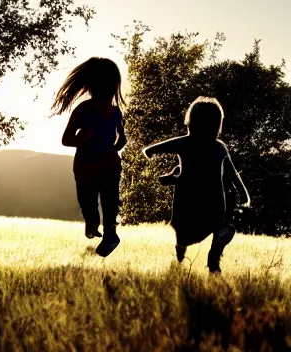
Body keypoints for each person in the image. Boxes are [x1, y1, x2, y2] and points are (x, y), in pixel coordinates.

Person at [143, 96, 250, 273]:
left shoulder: (184, 143)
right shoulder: (219, 147)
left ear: (190, 122)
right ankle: (213, 258)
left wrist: (170, 176)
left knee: (183, 237)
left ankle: (183, 260)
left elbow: (151, 150)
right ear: (217, 125)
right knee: (219, 228)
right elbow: (232, 174)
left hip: (187, 207)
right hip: (213, 207)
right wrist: (243, 193)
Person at [51, 57, 127, 257]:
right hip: (86, 167)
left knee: (110, 202)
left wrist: (116, 148)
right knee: (88, 203)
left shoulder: (116, 112)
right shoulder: (83, 110)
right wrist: (80, 138)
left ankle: (111, 234)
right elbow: (65, 139)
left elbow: (123, 138)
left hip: (109, 165)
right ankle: (92, 225)